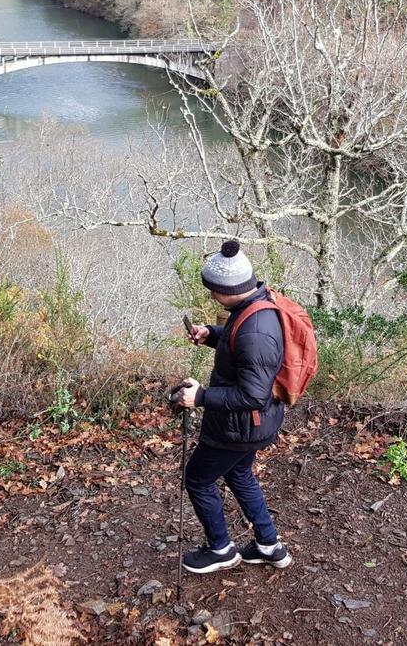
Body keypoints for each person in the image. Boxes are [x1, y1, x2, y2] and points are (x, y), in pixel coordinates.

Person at [176, 239, 292, 573]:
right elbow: (237, 342)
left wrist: (200, 397)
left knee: (197, 478)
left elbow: (252, 394)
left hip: (239, 427)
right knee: (239, 473)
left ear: (227, 289)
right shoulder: (254, 304)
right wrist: (210, 333)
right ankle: (269, 546)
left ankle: (221, 550)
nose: (211, 296)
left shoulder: (256, 330)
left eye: (213, 290)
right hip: (257, 424)